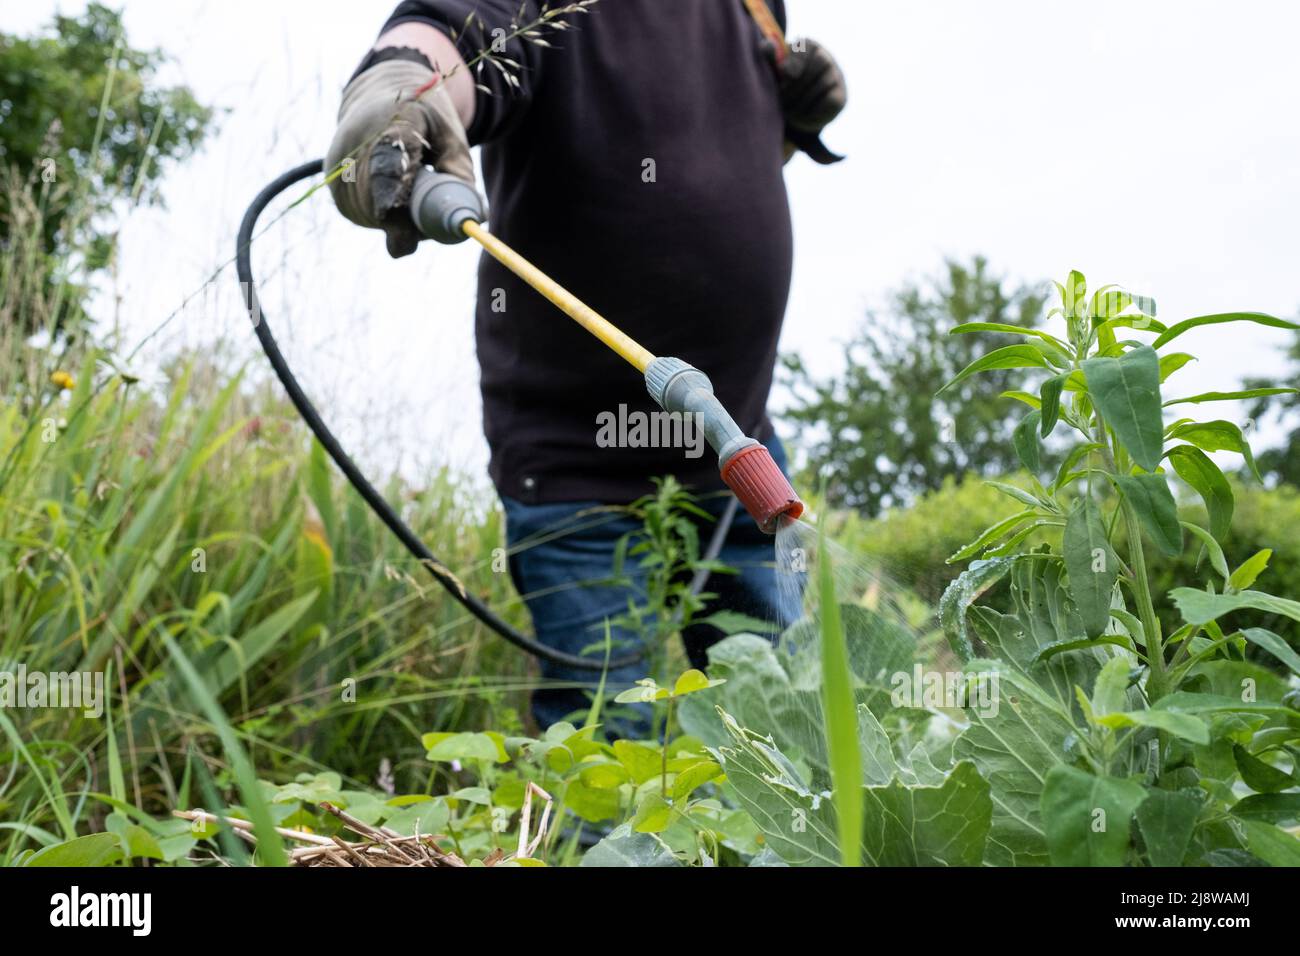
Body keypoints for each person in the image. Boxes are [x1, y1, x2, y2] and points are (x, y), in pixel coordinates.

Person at [326, 0, 846, 733]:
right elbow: (450, 31)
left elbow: (715, 141)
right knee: (606, 750)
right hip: (578, 466)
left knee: (783, 746)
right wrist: (400, 83)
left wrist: (796, 118)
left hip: (735, 446)